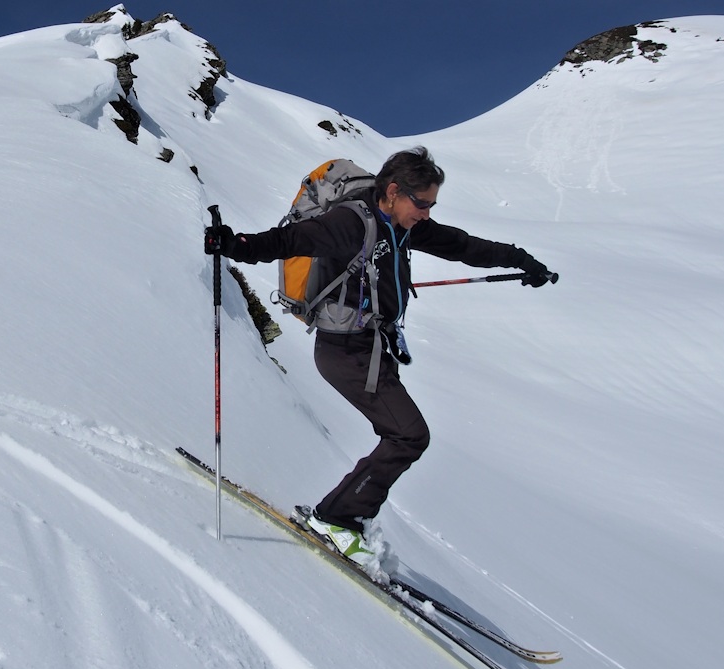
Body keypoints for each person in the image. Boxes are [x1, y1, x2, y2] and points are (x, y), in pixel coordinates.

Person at [203, 147, 556, 566]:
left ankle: (341, 515)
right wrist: (235, 244)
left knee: (404, 435)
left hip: (373, 349)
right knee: (409, 435)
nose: (426, 213)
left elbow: (462, 245)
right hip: (344, 351)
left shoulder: (404, 225)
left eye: (431, 205)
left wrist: (520, 260)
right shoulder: (352, 222)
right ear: (393, 191)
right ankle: (337, 518)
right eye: (421, 203)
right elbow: (290, 240)